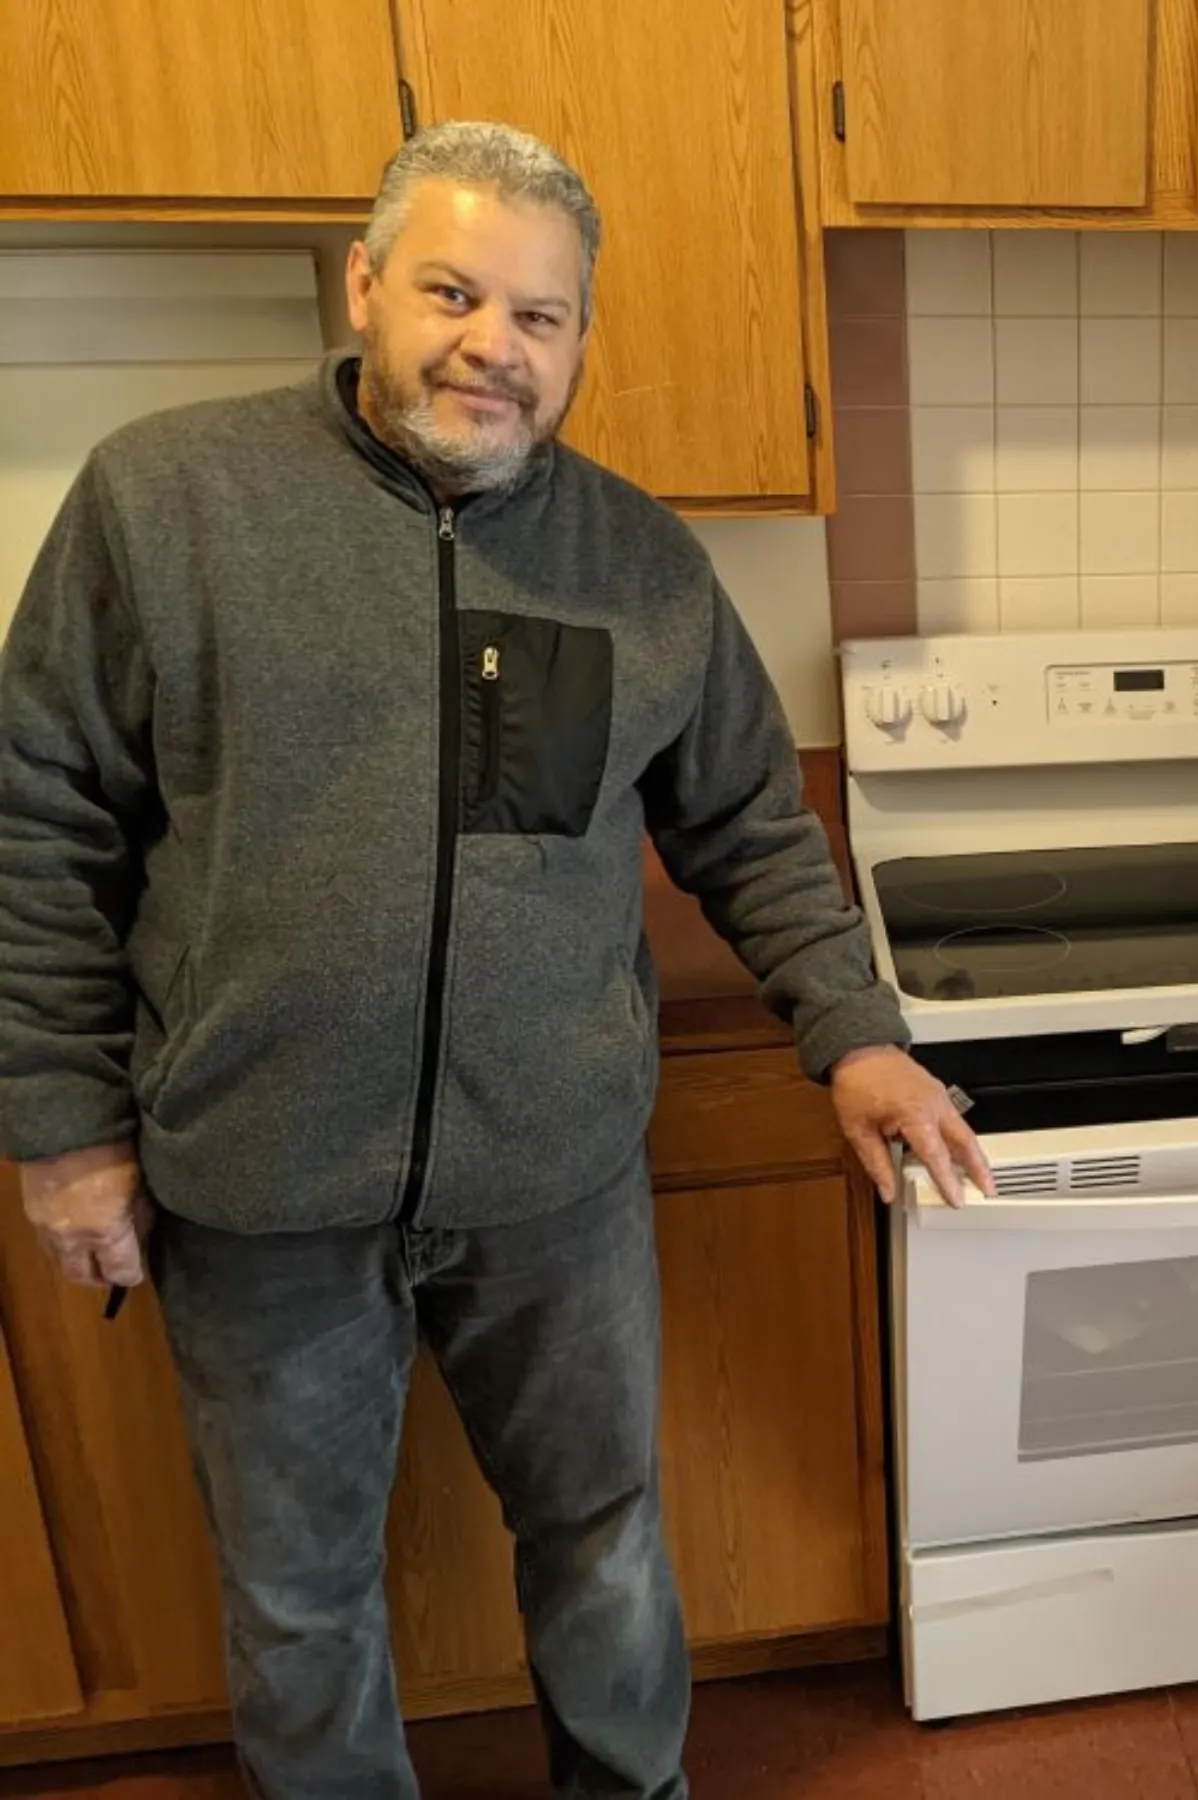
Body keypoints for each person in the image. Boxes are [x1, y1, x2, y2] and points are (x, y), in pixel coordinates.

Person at [0, 121, 986, 1799]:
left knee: (601, 1536)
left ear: (580, 340)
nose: (495, 347)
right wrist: (63, 1127)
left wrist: (857, 1035)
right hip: (261, 1180)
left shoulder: (639, 563)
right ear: (366, 284)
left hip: (554, 1178)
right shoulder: (165, 504)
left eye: (541, 317)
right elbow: (41, 821)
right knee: (300, 1599)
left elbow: (750, 826)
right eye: (455, 292)